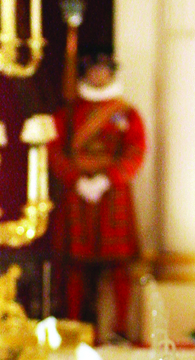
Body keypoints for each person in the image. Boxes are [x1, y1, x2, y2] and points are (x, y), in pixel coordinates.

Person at [50, 55, 145, 341]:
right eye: (94, 69)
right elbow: (54, 150)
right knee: (75, 264)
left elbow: (136, 151)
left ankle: (120, 329)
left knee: (119, 264)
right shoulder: (68, 113)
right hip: (77, 193)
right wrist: (75, 179)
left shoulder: (126, 114)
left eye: (104, 70)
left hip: (112, 193)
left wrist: (108, 179)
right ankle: (74, 326)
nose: (99, 75)